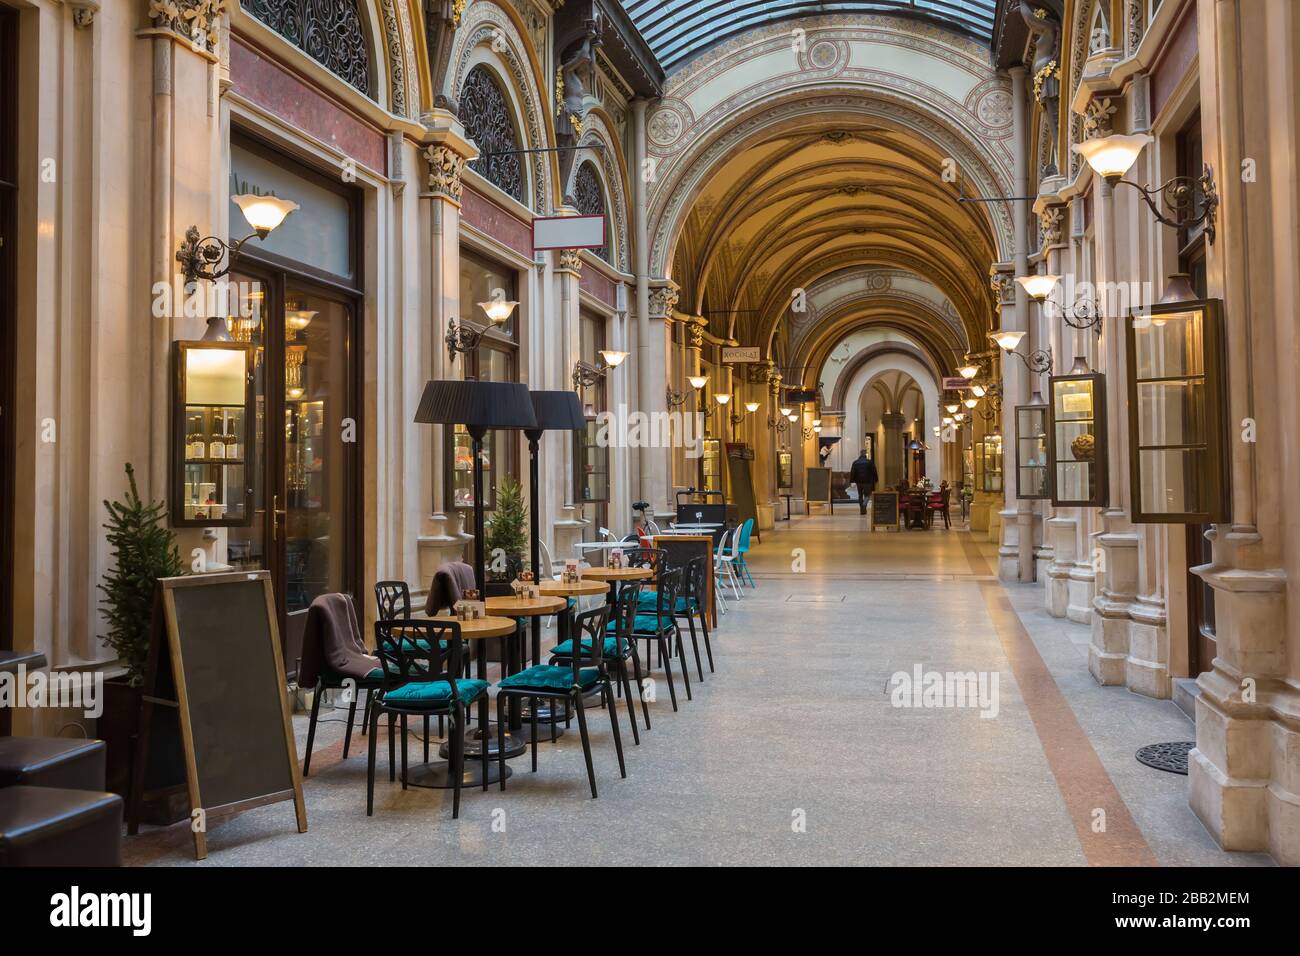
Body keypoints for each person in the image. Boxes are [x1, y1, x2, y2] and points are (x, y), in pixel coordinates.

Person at [848, 449, 879, 515]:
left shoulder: (855, 462)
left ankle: (862, 509)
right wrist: (876, 479)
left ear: (860, 454)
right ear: (865, 454)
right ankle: (864, 505)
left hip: (858, 481)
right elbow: (874, 471)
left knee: (860, 495)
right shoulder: (869, 462)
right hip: (868, 481)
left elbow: (852, 472)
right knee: (867, 495)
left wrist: (851, 480)